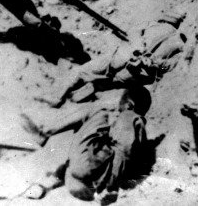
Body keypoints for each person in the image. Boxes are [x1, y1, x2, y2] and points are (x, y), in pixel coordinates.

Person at [20, 86, 153, 201]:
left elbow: (120, 152)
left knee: (97, 111)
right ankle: (48, 181)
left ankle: (45, 132)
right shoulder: (137, 129)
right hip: (91, 186)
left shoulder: (126, 119)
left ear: (129, 105)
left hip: (84, 181)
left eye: (121, 102)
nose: (117, 107)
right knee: (99, 133)